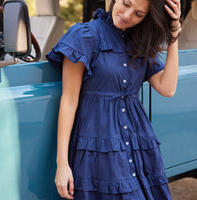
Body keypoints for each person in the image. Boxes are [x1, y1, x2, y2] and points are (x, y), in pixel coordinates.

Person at [46, 0, 181, 199]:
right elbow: (69, 101)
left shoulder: (139, 40)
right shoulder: (85, 35)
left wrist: (173, 36)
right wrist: (62, 164)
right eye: (126, 4)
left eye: (138, 14)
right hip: (99, 146)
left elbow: (167, 88)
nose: (127, 15)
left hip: (139, 143)